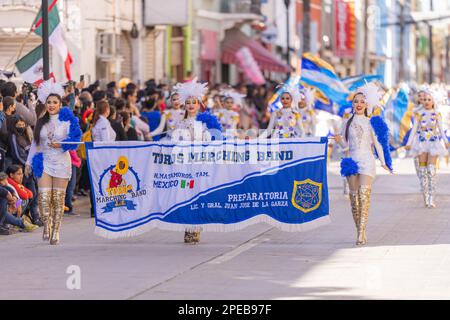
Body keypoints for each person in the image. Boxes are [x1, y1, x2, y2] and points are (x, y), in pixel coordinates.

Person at [335, 83, 393, 246]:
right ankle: (359, 230)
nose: (358, 104)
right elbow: (345, 146)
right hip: (351, 162)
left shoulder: (371, 122)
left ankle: (361, 233)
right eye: (356, 101)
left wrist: (384, 162)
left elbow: (378, 145)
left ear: (367, 104)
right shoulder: (346, 123)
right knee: (354, 200)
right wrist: (340, 143)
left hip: (367, 161)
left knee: (364, 195)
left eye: (362, 101)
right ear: (352, 104)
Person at [25, 81, 82, 245]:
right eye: (49, 102)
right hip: (44, 161)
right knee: (43, 197)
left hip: (62, 162)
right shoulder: (41, 122)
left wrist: (62, 144)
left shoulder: (67, 121)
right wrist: (29, 163)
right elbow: (35, 144)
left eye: (55, 102)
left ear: (60, 104)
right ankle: (46, 224)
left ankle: (56, 229)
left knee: (58, 199)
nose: (51, 105)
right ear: (45, 103)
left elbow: (75, 140)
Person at [171, 78, 222, 244]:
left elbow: (212, 142)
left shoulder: (206, 122)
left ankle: (196, 227)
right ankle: (188, 227)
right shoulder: (180, 123)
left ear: (199, 104)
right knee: (186, 193)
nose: (191, 105)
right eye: (188, 102)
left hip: (199, 165)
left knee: (198, 195)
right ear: (184, 105)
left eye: (194, 102)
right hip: (185, 166)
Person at [405, 89, 449, 208]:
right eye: (424, 99)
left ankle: (431, 198)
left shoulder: (437, 114)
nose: (426, 101)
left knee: (431, 170)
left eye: (429, 99)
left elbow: (440, 129)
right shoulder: (419, 114)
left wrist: (445, 141)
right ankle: (426, 198)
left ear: (433, 101)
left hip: (434, 143)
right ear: (422, 101)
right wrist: (409, 143)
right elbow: (414, 130)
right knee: (423, 171)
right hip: (421, 144)